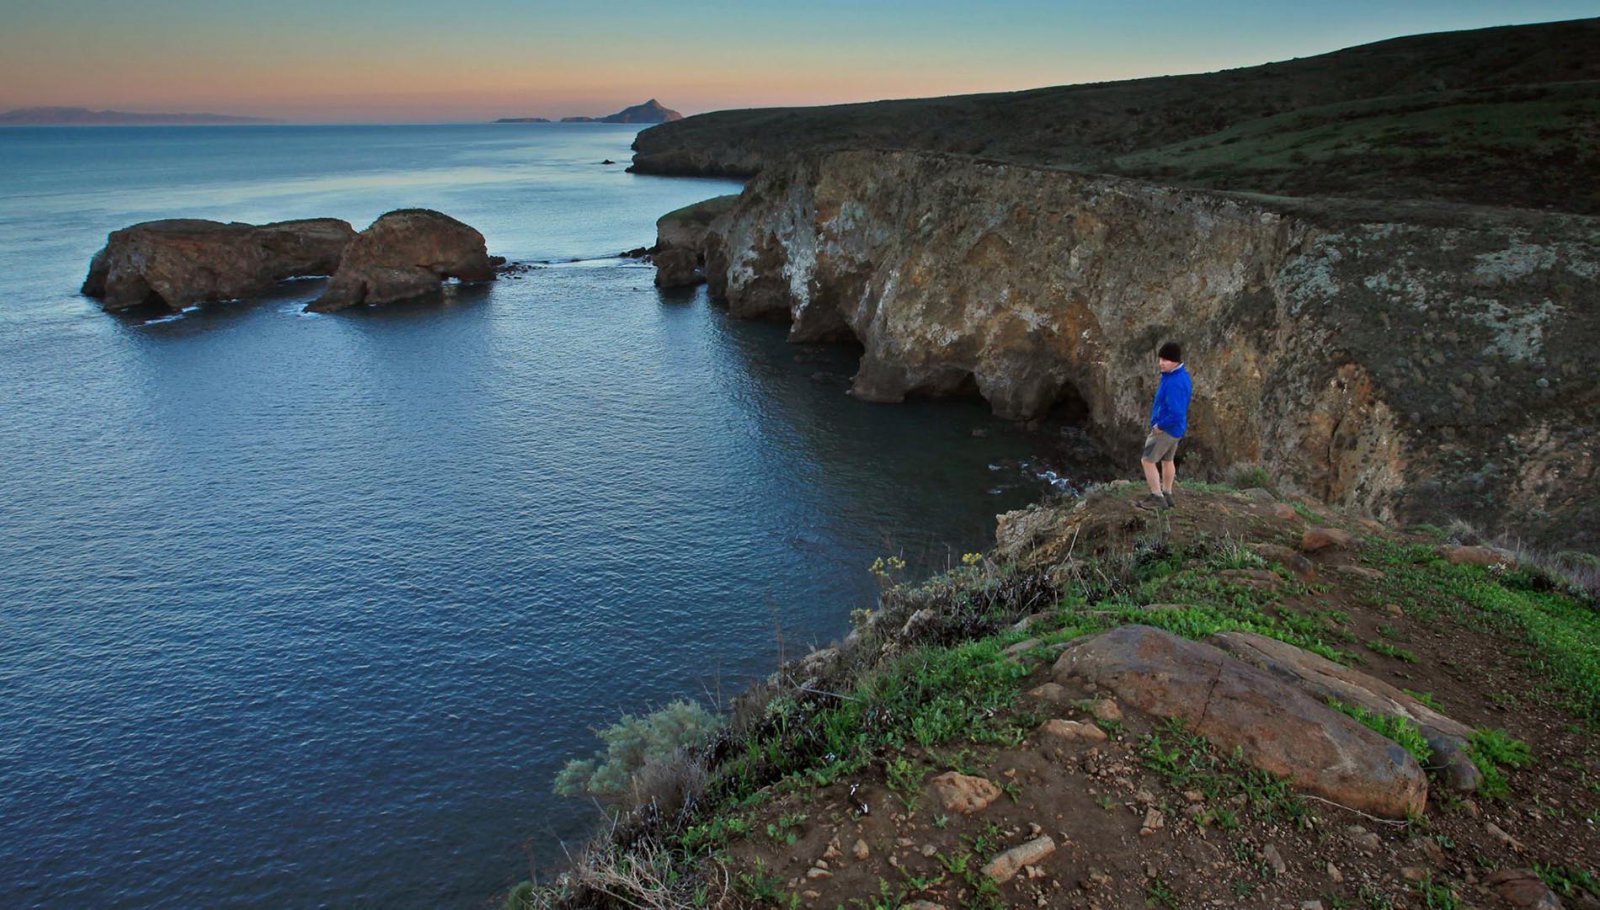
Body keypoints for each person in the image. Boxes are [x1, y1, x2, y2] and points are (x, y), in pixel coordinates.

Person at [1137, 341, 1193, 510]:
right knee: (1168, 460)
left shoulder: (1173, 382)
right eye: (1160, 359)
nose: (1161, 363)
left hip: (1165, 430)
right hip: (1177, 429)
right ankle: (1167, 493)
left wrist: (1160, 425)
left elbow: (1176, 412)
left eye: (1166, 360)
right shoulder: (1182, 376)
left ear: (1176, 361)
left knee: (1147, 460)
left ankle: (1157, 497)